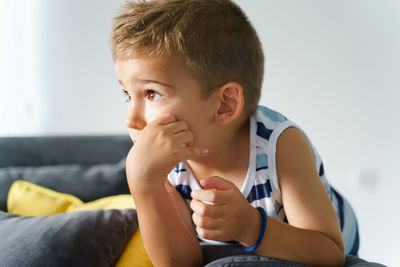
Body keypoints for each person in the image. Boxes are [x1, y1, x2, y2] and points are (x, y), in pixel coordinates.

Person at [110, 0, 359, 266]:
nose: (131, 119)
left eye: (152, 94)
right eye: (127, 95)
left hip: (328, 229)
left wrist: (250, 227)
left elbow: (330, 254)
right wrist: (143, 183)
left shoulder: (280, 146)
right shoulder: (165, 162)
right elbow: (180, 262)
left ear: (224, 105)